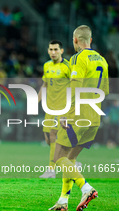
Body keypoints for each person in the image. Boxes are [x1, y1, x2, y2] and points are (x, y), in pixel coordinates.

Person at [49, 25, 109, 211]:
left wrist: (66, 114)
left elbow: (75, 88)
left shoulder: (78, 58)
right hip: (94, 118)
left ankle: (86, 188)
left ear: (75, 40)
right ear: (90, 40)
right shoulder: (103, 61)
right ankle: (63, 201)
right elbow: (105, 91)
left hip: (77, 116)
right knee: (70, 158)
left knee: (58, 157)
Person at [38, 40, 70, 178]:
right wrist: (36, 100)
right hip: (49, 108)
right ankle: (70, 160)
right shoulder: (47, 65)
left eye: (56, 49)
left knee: (52, 136)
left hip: (62, 108)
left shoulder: (67, 67)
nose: (53, 52)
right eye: (51, 49)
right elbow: (44, 85)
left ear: (61, 51)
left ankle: (51, 170)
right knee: (48, 139)